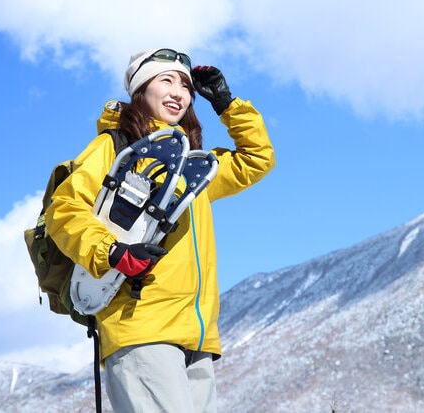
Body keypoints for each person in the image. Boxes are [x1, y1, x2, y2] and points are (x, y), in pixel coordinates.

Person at [45, 48, 275, 412]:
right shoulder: (116, 148)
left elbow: (256, 159)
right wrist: (112, 252)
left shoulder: (195, 168)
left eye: (186, 86)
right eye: (165, 80)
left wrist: (228, 104)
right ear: (141, 91)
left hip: (196, 335)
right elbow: (65, 209)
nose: (178, 92)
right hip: (141, 326)